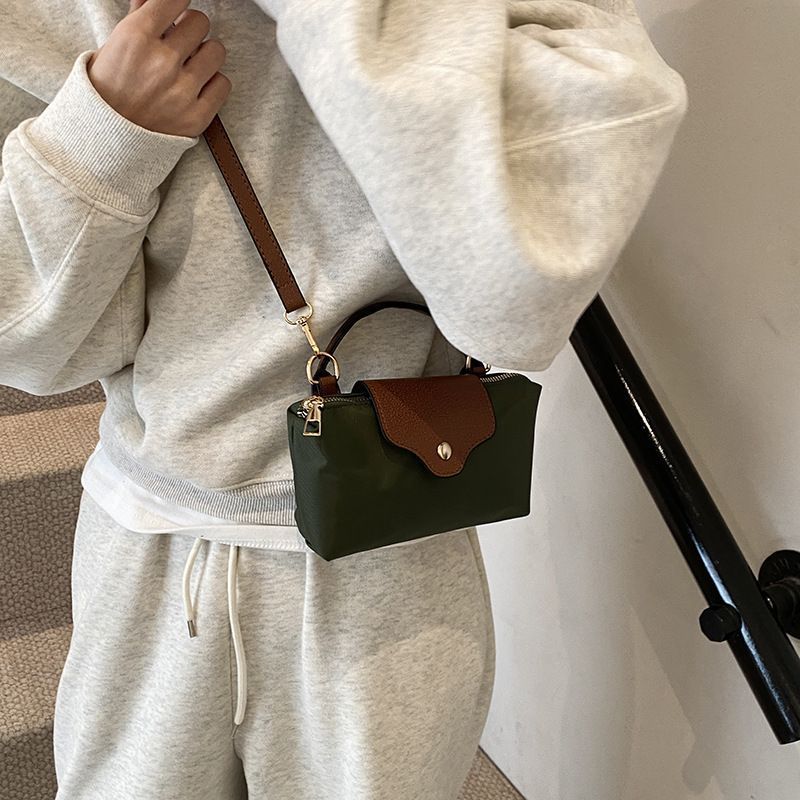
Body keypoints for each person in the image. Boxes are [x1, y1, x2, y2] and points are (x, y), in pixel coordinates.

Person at [0, 0, 688, 797]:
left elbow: (512, 311)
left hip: (387, 561)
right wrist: (104, 136)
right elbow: (34, 345)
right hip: (153, 543)